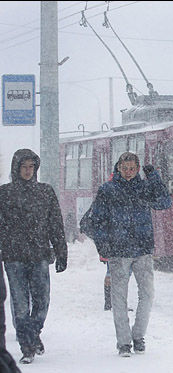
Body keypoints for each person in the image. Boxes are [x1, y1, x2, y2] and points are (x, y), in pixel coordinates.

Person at [88, 152, 171, 357]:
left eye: (133, 169)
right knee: (119, 298)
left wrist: (154, 178)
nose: (128, 173)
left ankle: (138, 335)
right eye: (125, 169)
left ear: (137, 169)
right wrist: (103, 245)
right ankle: (123, 342)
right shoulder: (107, 190)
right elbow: (96, 220)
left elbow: (164, 202)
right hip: (119, 251)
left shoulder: (144, 187)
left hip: (142, 249)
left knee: (148, 294)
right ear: (118, 168)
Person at [0, 149, 68, 364]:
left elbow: (55, 224)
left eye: (31, 167)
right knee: (20, 303)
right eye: (24, 167)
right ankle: (26, 345)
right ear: (16, 168)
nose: (28, 171)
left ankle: (33, 332)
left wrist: (61, 251)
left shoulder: (45, 192)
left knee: (42, 301)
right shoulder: (4, 193)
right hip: (14, 256)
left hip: (39, 254)